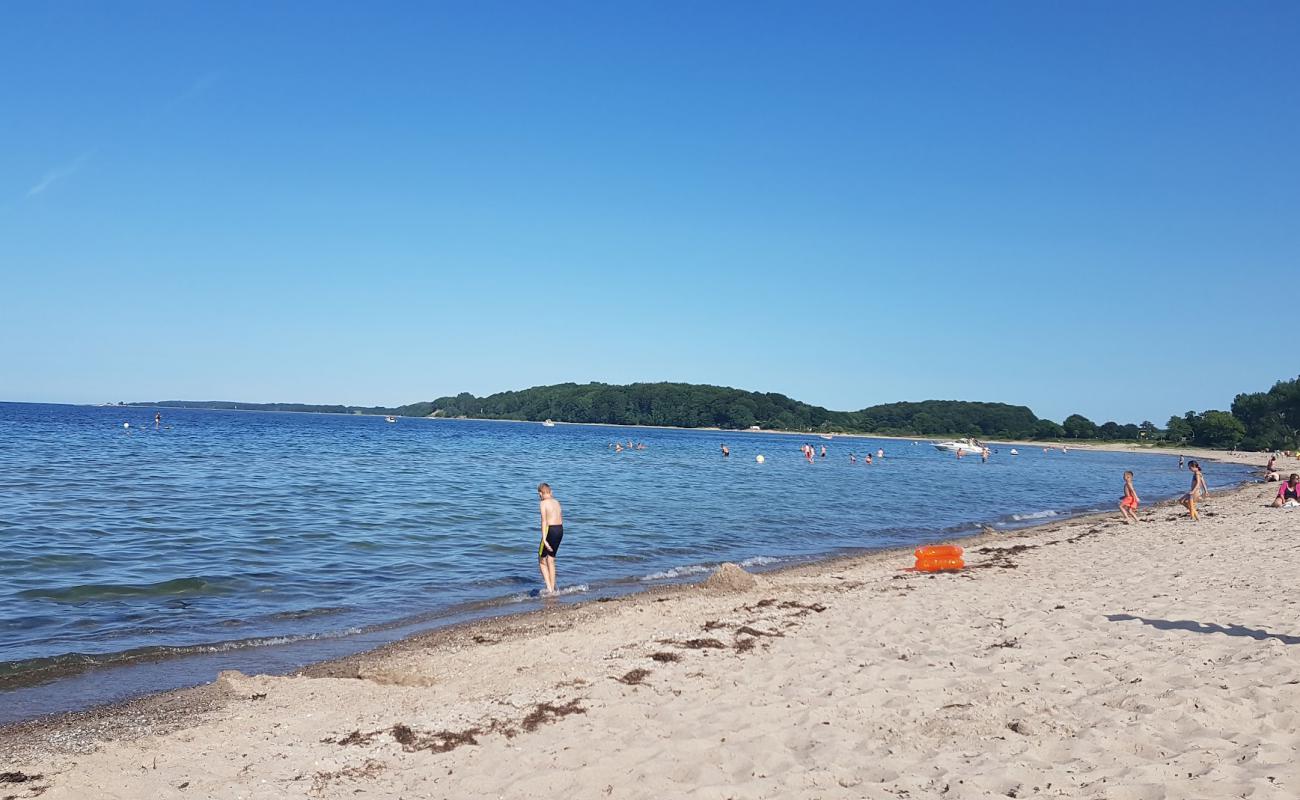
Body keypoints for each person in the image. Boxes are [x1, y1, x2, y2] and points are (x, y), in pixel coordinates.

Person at [536, 483, 564, 595]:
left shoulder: (543, 503)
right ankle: (553, 587)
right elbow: (561, 518)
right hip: (560, 530)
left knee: (541, 560)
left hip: (550, 530)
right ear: (550, 492)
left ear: (540, 493)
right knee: (551, 559)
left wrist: (544, 539)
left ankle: (549, 588)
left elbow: (544, 521)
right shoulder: (556, 502)